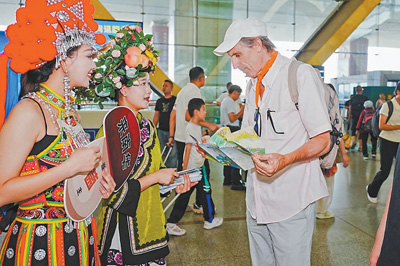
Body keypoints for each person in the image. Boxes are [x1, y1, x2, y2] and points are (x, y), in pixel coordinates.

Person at [0, 1, 117, 265]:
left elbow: (71, 180)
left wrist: (97, 184)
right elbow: (2, 191)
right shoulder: (29, 112)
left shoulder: (67, 110)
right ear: (64, 59)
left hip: (78, 239)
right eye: (89, 56)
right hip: (39, 245)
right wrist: (68, 168)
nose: (94, 65)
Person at [213, 17, 331, 265]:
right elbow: (249, 137)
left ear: (257, 44)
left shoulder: (299, 76)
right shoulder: (252, 84)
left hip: (292, 199)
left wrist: (286, 159)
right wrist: (221, 146)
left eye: (237, 54)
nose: (234, 65)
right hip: (256, 199)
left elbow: (323, 140)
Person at [89, 26, 191, 266]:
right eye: (142, 84)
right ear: (122, 88)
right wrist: (157, 177)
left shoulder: (147, 124)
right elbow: (112, 192)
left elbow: (157, 170)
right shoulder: (112, 126)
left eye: (148, 84)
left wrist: (173, 183)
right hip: (121, 233)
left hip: (151, 226)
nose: (148, 91)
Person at [166, 98, 223, 236]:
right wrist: (185, 171)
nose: (205, 111)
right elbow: (187, 149)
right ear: (196, 112)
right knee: (204, 191)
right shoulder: (191, 127)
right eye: (203, 109)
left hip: (197, 166)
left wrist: (204, 136)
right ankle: (207, 220)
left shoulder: (195, 126)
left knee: (196, 194)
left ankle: (173, 222)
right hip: (194, 169)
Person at [170, 66, 218, 213]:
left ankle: (196, 204)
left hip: (180, 138)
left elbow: (174, 114)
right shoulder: (195, 92)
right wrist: (208, 124)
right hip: (190, 141)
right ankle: (196, 205)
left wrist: (172, 136)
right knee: (200, 173)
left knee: (192, 174)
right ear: (201, 78)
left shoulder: (183, 91)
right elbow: (189, 116)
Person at [366, 83, 400, 204]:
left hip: (399, 142)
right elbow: (382, 125)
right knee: (385, 171)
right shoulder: (388, 105)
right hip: (387, 141)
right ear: (398, 92)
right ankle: (372, 190)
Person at [220, 85, 246, 190]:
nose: (238, 97)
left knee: (227, 156)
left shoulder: (225, 100)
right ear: (234, 92)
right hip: (232, 129)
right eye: (238, 95)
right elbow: (232, 118)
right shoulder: (230, 101)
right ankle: (235, 182)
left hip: (226, 130)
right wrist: (242, 110)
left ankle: (227, 179)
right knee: (235, 156)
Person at [316, 139, 350, 219]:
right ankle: (322, 210)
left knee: (322, 183)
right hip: (328, 156)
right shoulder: (335, 126)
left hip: (317, 155)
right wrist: (343, 153)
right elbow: (339, 136)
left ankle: (321, 209)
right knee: (327, 184)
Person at [153, 79, 177, 168]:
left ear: (171, 88)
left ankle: (173, 172)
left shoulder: (175, 100)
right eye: (163, 86)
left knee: (173, 154)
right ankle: (163, 172)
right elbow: (156, 116)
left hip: (172, 131)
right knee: (162, 152)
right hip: (161, 130)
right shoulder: (159, 101)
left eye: (166, 86)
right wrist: (153, 128)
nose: (164, 88)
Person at [348, 85, 368, 150]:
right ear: (361, 91)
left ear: (356, 91)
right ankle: (360, 146)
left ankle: (354, 141)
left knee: (353, 129)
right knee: (361, 130)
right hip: (362, 116)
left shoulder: (353, 98)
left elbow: (350, 108)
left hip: (354, 116)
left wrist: (349, 118)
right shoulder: (365, 98)